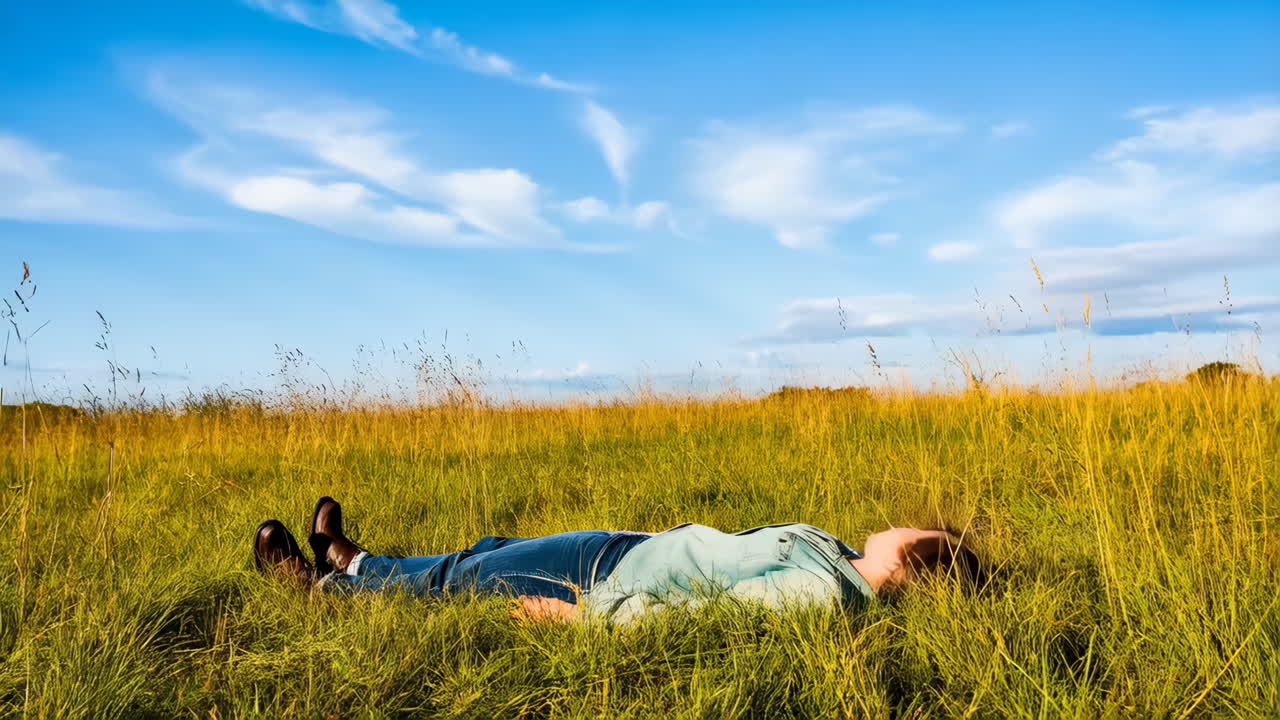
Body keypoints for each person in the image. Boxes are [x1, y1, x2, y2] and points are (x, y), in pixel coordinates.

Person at [253, 497, 982, 622]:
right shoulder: (838, 564)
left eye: (915, 530)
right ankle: (354, 559)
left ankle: (321, 588)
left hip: (600, 582)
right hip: (627, 551)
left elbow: (703, 610)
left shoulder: (825, 593)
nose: (899, 523)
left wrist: (583, 623)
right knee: (488, 552)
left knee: (466, 582)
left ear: (913, 561)